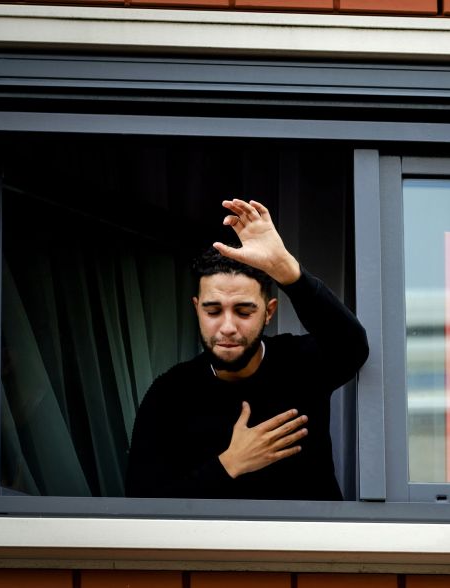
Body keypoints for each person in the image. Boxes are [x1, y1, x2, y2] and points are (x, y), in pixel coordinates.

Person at [125, 199, 368, 500]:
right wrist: (229, 464)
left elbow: (352, 347)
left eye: (243, 311)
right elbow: (142, 505)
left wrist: (288, 272)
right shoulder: (169, 395)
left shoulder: (300, 363)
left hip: (310, 545)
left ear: (269, 312)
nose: (227, 326)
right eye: (213, 311)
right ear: (197, 309)